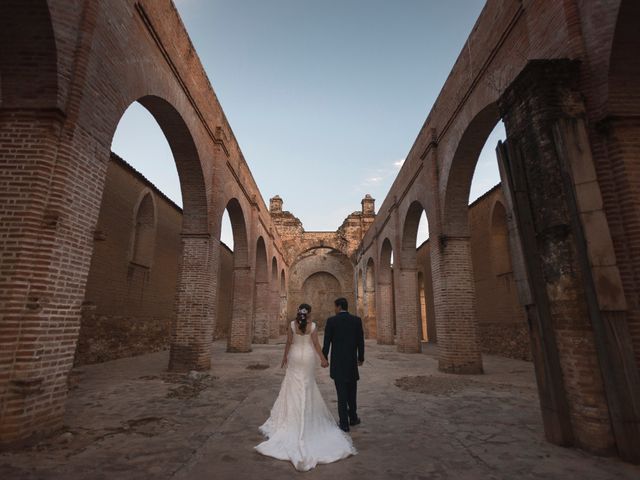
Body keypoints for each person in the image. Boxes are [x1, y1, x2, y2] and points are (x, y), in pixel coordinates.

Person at [255, 303, 357, 471]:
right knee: (308, 385)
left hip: (295, 356)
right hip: (308, 357)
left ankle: (292, 417)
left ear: (298, 313)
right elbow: (316, 344)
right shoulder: (313, 326)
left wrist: (284, 358)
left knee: (293, 385)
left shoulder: (292, 325)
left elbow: (288, 342)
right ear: (309, 314)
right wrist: (323, 359)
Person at [322, 297, 365, 432]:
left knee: (342, 394)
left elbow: (327, 342)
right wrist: (361, 357)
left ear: (339, 307)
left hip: (338, 363)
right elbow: (360, 341)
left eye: (335, 307)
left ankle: (344, 423)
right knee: (352, 392)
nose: (334, 309)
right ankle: (353, 418)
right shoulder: (356, 321)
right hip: (351, 363)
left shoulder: (331, 321)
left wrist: (324, 358)